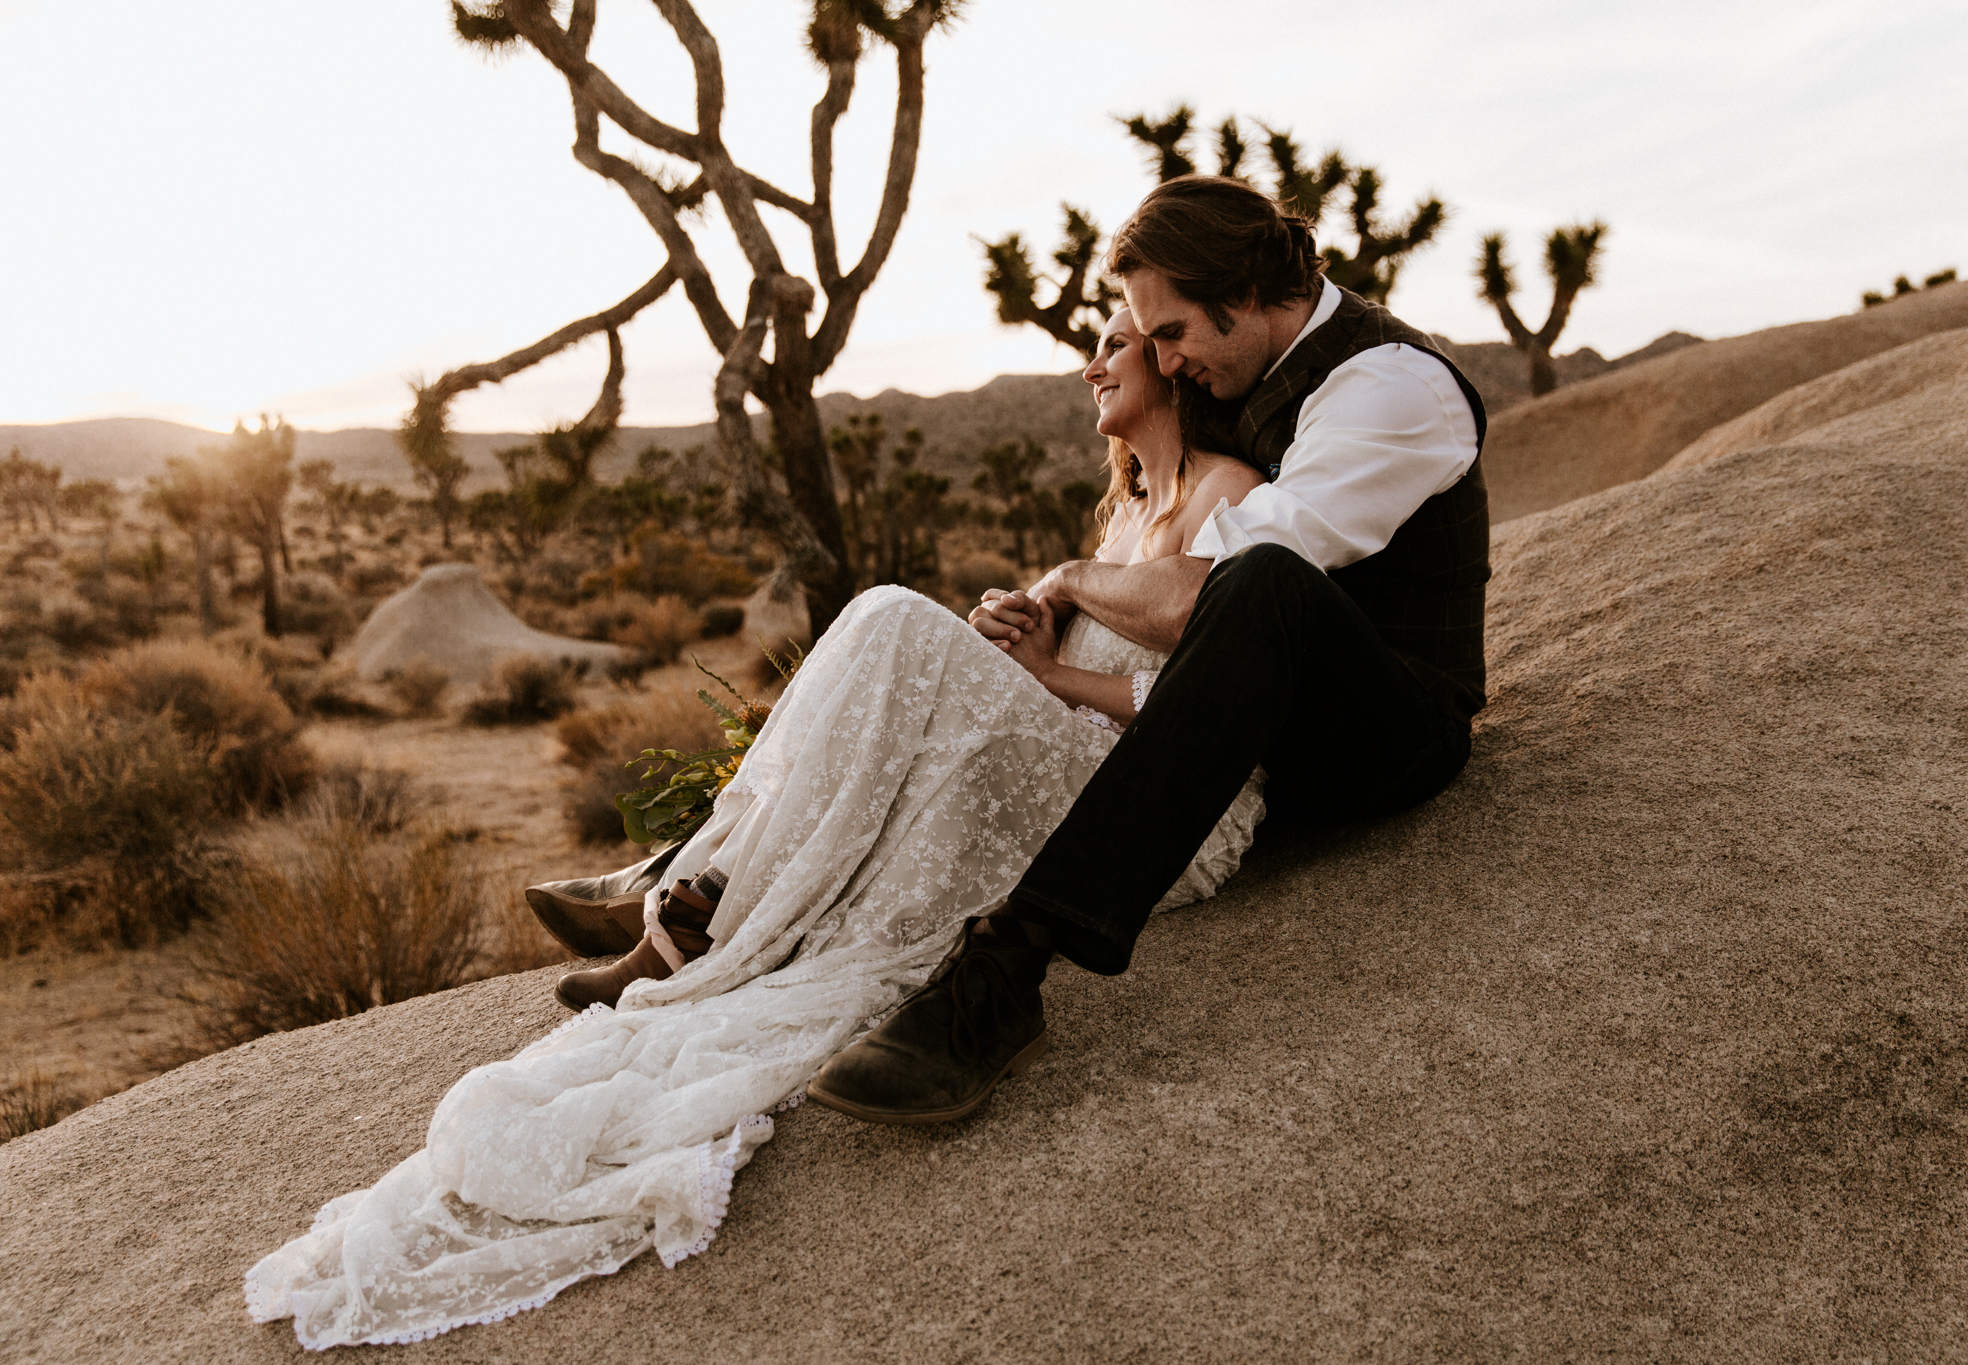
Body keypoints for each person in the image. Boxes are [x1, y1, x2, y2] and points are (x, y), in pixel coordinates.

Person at [246, 303, 1269, 1349]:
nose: (1091, 362)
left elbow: (1217, 696)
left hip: (1166, 813)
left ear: (1173, 360)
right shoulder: (1125, 517)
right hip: (1084, 767)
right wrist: (1027, 647)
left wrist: (1048, 666)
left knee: (888, 621)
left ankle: (691, 907)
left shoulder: (1230, 495)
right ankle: (695, 902)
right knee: (901, 646)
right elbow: (1084, 672)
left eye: (1116, 341)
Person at [805, 174, 1489, 1124]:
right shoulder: (1257, 369)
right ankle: (735, 872)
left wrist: (1076, 578)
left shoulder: (1389, 387)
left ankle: (1005, 970)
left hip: (1387, 729)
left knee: (1261, 577)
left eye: (1170, 333)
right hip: (1257, 727)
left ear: (1246, 295)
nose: (1162, 361)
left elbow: (1203, 595)